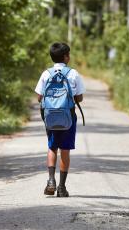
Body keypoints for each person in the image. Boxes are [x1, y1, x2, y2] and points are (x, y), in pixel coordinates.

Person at [34, 42, 85, 197]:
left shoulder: (46, 74)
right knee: (65, 150)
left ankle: (51, 181)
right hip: (68, 116)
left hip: (50, 117)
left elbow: (39, 98)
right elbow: (80, 98)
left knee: (52, 147)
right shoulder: (73, 73)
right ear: (66, 57)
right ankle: (62, 188)